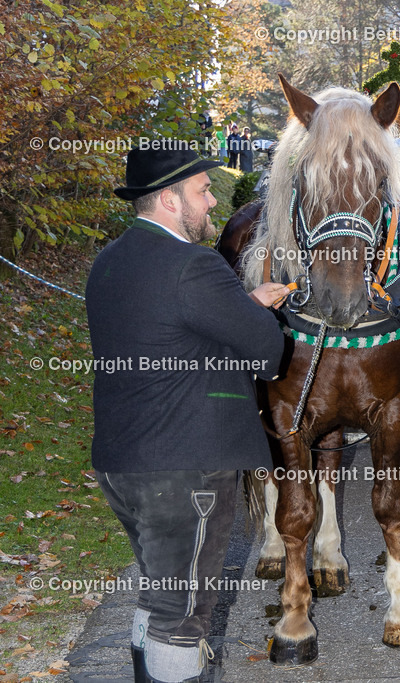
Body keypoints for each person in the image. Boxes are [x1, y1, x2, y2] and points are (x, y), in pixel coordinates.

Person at [87, 146, 290, 682]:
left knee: (160, 593)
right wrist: (255, 312)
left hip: (124, 464)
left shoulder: (109, 261)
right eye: (202, 190)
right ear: (168, 199)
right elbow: (265, 353)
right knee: (182, 616)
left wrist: (241, 304)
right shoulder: (195, 265)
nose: (212, 201)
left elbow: (171, 326)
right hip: (186, 469)